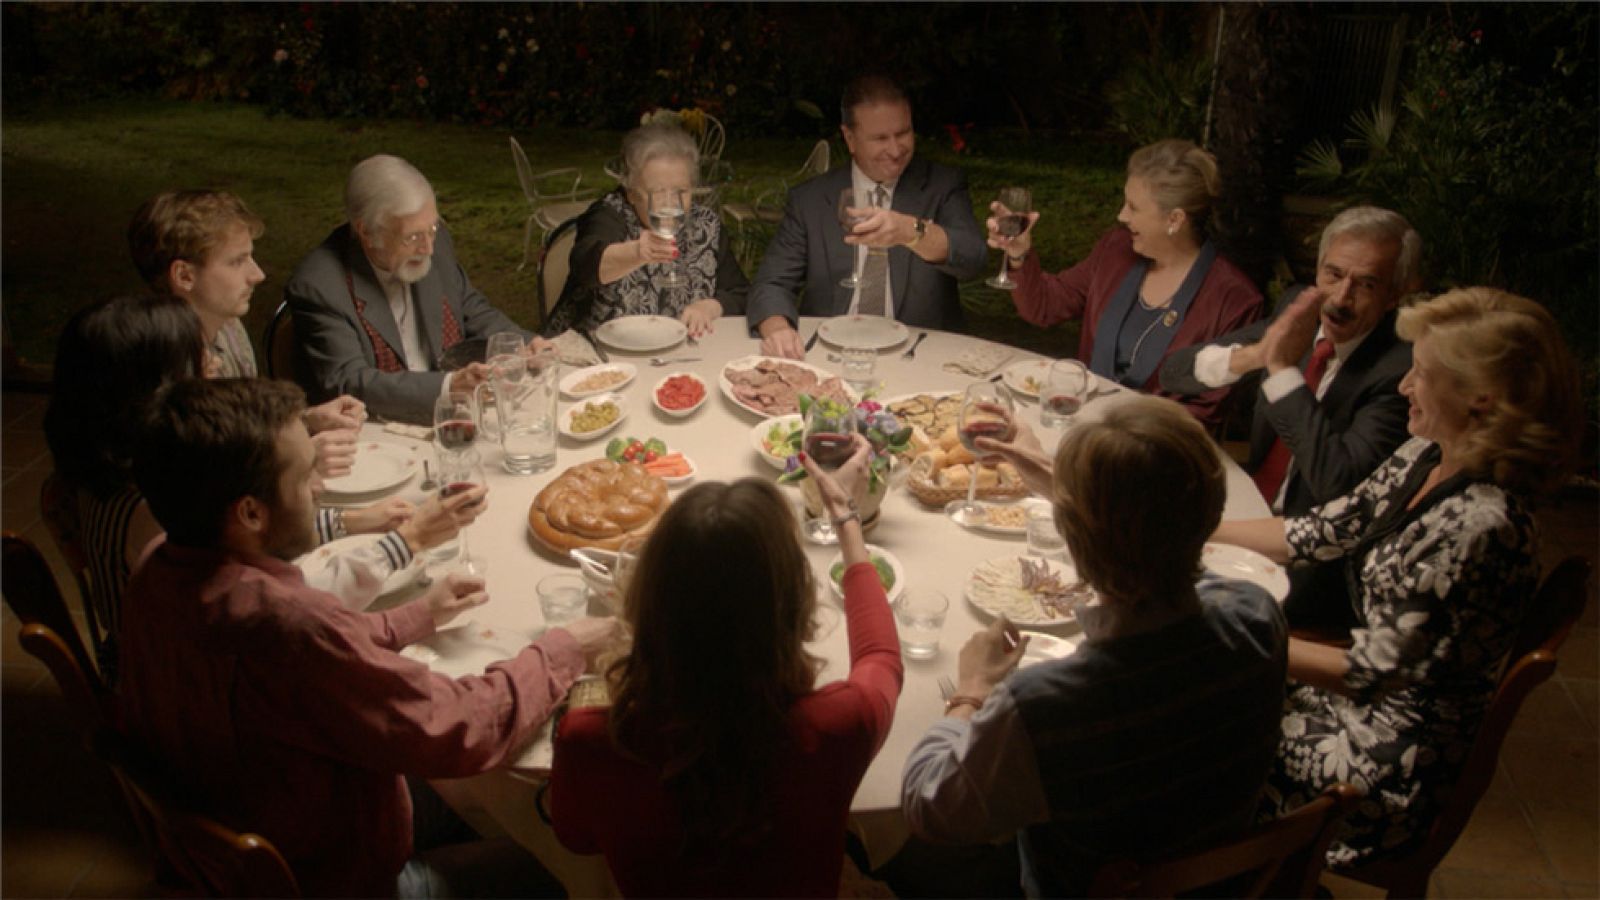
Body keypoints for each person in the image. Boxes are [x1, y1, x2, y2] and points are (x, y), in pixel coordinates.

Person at [118, 377, 622, 897]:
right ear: (250, 513)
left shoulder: (157, 561)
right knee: (562, 868)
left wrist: (412, 617)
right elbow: (460, 728)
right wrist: (564, 648)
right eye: (305, 474)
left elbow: (314, 659)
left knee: (485, 802)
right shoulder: (286, 627)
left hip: (256, 822)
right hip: (336, 877)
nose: (319, 488)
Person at [1210, 288, 1581, 867]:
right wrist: (1190, 533)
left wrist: (1220, 634)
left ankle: (1216, 876)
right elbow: (1321, 530)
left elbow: (1366, 674)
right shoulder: (1431, 452)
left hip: (1383, 767)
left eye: (1423, 375)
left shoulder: (1479, 527)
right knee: (1204, 691)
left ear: (1480, 400)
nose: (1405, 385)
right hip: (1360, 707)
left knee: (1191, 734)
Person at [900, 394, 1288, 896]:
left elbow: (927, 806)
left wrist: (971, 690)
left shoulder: (1045, 705)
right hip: (1218, 880)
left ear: (1070, 538)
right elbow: (1161, 530)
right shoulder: (1258, 614)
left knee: (908, 863)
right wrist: (1056, 481)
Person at [42, 295, 483, 686]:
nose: (214, 366)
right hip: (190, 693)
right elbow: (288, 612)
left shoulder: (120, 466)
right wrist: (404, 544)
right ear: (155, 389)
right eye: (199, 360)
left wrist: (350, 520)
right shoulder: (153, 514)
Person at [548, 440, 903, 897]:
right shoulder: (839, 724)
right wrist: (847, 519)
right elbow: (882, 660)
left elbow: (576, 840)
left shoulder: (589, 739)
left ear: (647, 600)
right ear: (794, 605)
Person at [1160, 206, 1422, 633]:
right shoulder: (1297, 311)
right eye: (1333, 275)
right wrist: (1255, 356)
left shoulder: (1399, 369)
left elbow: (1337, 481)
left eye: (1366, 284)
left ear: (1394, 295)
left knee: (1164, 604)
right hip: (1244, 510)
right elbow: (1176, 373)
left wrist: (1282, 371)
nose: (1340, 298)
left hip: (1312, 565)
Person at [993, 139, 1264, 429]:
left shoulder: (1235, 301)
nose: (1121, 216)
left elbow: (1205, 414)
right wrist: (1019, 255)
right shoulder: (1116, 250)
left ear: (1174, 219)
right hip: (1081, 430)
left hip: (1156, 451)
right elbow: (1045, 306)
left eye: (1133, 207)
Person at [284, 154, 548, 424]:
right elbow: (349, 381)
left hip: (453, 415)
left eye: (432, 229)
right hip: (375, 431)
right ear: (366, 231)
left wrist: (522, 343)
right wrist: (448, 387)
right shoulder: (320, 285)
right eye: (412, 237)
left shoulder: (435, 241)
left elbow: (470, 306)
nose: (428, 248)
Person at [128, 188, 368, 477]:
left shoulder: (228, 327)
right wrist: (295, 459)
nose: (258, 275)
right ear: (184, 276)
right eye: (236, 261)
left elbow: (237, 429)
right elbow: (194, 485)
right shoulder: (157, 364)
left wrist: (305, 422)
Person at [747, 74, 986, 358]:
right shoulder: (811, 200)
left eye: (903, 133)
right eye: (880, 138)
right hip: (830, 352)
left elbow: (973, 257)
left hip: (917, 354)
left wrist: (910, 231)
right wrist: (777, 329)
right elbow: (772, 283)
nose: (896, 150)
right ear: (850, 138)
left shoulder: (941, 186)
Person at [543, 122, 748, 338]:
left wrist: (711, 306)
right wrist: (636, 253)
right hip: (598, 357)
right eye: (658, 192)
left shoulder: (705, 224)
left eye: (682, 191)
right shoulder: (610, 214)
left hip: (680, 354)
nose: (672, 204)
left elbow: (741, 293)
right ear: (631, 192)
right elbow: (585, 265)